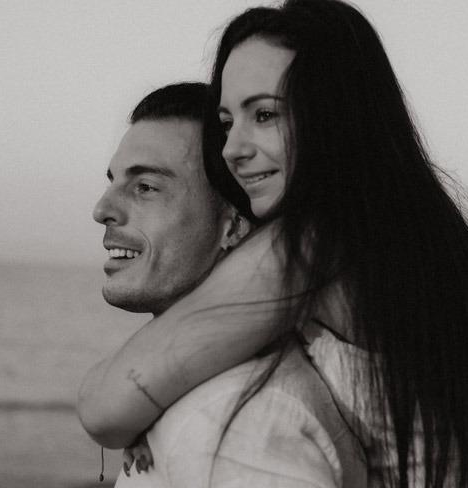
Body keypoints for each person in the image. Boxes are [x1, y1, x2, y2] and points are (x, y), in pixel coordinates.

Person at [80, 1, 468, 487]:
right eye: (227, 122)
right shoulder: (412, 235)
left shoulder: (310, 246)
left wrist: (152, 406)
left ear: (336, 115)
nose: (232, 149)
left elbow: (103, 408)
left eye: (264, 114)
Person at [79, 82, 358, 487]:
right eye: (113, 181)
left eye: (146, 187)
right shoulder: (177, 396)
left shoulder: (232, 422)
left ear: (233, 226)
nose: (102, 209)